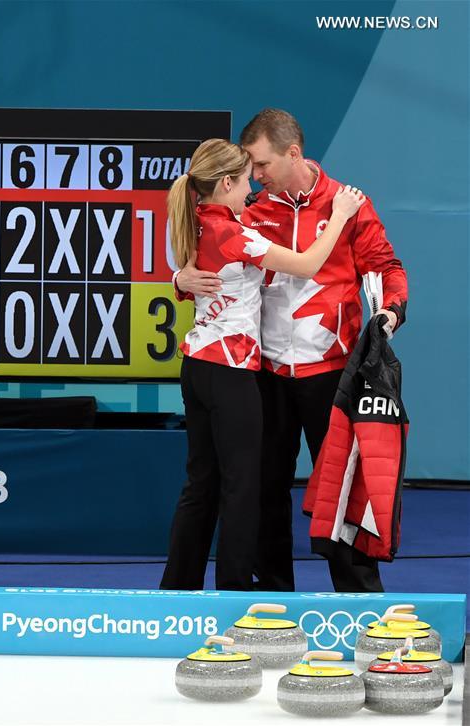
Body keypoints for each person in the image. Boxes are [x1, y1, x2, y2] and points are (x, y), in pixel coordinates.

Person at [176, 109, 408, 592]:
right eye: (250, 171)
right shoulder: (251, 210)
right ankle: (271, 594)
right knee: (261, 488)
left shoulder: (349, 204)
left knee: (343, 488)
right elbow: (202, 247)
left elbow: (386, 266)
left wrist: (390, 311)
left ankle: (358, 596)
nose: (255, 176)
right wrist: (178, 280)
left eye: (261, 165)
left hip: (331, 372)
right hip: (265, 373)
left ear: (293, 153)